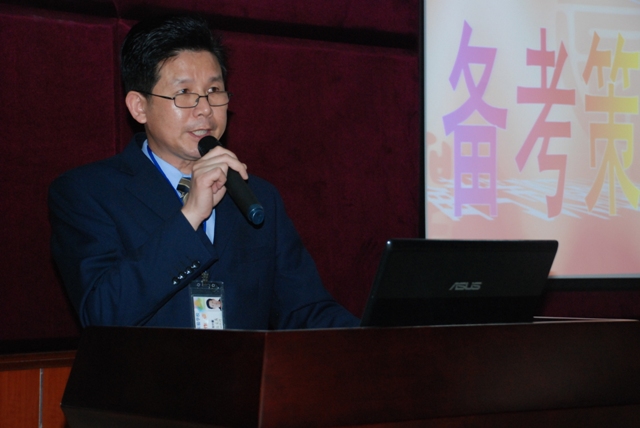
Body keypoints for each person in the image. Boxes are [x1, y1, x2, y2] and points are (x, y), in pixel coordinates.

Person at [49, 14, 359, 330]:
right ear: (139, 107)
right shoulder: (87, 193)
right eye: (184, 93)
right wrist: (190, 216)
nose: (205, 109)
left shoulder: (258, 197)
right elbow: (102, 313)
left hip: (244, 365)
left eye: (214, 90)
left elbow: (305, 311)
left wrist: (376, 335)